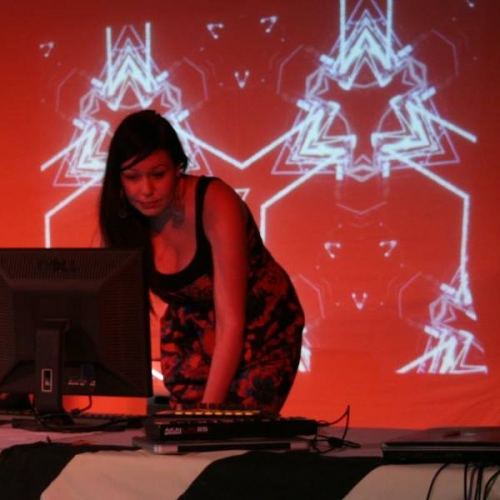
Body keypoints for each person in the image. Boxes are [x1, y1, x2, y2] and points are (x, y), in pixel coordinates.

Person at [99, 110, 304, 413]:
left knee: (231, 430)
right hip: (193, 337)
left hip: (260, 328)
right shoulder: (125, 219)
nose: (146, 190)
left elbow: (231, 321)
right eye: (132, 177)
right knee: (183, 436)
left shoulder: (215, 201)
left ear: (178, 167)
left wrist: (209, 415)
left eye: (158, 174)